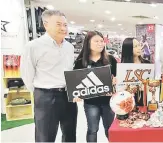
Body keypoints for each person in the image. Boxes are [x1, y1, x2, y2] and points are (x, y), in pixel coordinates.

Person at [20, 10, 77, 142]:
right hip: (45, 96)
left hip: (68, 96)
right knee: (45, 136)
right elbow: (27, 75)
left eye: (65, 24)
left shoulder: (69, 47)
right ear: (46, 25)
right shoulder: (33, 46)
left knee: (70, 134)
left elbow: (69, 70)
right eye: (58, 24)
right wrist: (41, 92)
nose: (63, 28)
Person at [73, 31, 117, 142]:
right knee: (92, 129)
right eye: (96, 41)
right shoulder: (80, 62)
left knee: (110, 129)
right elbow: (75, 82)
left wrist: (115, 83)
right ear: (88, 43)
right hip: (91, 102)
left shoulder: (111, 59)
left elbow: (117, 77)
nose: (100, 43)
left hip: (108, 101)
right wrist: (77, 94)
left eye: (101, 41)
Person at [121, 37, 150, 106]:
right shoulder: (122, 67)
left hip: (144, 99)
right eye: (135, 46)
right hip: (127, 101)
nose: (139, 48)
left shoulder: (147, 63)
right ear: (128, 49)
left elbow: (150, 82)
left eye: (139, 45)